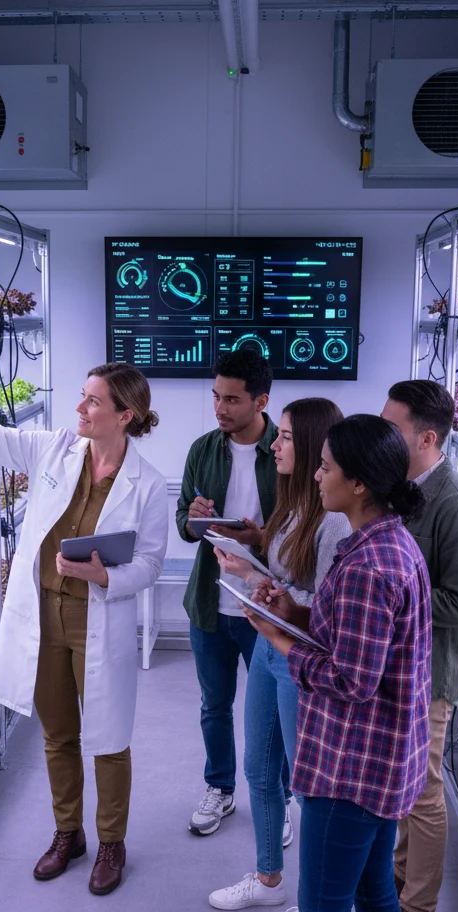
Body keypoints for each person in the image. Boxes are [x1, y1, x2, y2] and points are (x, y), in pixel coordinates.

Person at [0, 354, 169, 896]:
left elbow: (150, 565)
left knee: (110, 737)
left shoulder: (147, 484)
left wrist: (104, 576)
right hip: (45, 613)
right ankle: (68, 833)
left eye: (93, 401)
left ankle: (111, 843)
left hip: (98, 615)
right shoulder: (55, 448)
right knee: (57, 733)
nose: (81, 407)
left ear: (126, 415)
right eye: (84, 395)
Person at [245, 414, 431, 912]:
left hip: (346, 769)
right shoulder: (386, 543)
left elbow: (350, 680)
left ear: (358, 485)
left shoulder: (366, 567)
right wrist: (295, 608)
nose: (316, 475)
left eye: (325, 466)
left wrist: (278, 639)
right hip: (386, 768)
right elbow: (352, 641)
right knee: (375, 892)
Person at [207, 398, 351, 912]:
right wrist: (253, 571)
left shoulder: (336, 522)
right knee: (259, 769)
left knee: (307, 787)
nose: (275, 445)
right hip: (272, 651)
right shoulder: (296, 506)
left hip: (302, 661)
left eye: (286, 437)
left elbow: (330, 610)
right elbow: (291, 582)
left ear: (314, 444)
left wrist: (277, 595)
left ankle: (312, 909)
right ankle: (269, 880)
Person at [380, 380, 458, 912]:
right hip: (397, 668)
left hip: (431, 676)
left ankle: (419, 911)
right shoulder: (404, 490)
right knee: (402, 784)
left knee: (423, 792)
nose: (383, 435)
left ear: (425, 437)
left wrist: (387, 594)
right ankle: (400, 881)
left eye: (392, 427)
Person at [176, 350, 291, 839]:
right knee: (214, 705)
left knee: (274, 717)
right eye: (216, 397)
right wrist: (193, 516)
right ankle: (219, 788)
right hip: (210, 601)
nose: (220, 408)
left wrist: (256, 538)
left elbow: (296, 536)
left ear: (261, 400)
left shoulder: (286, 454)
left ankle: (279, 800)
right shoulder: (203, 449)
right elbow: (184, 525)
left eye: (232, 399)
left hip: (263, 604)